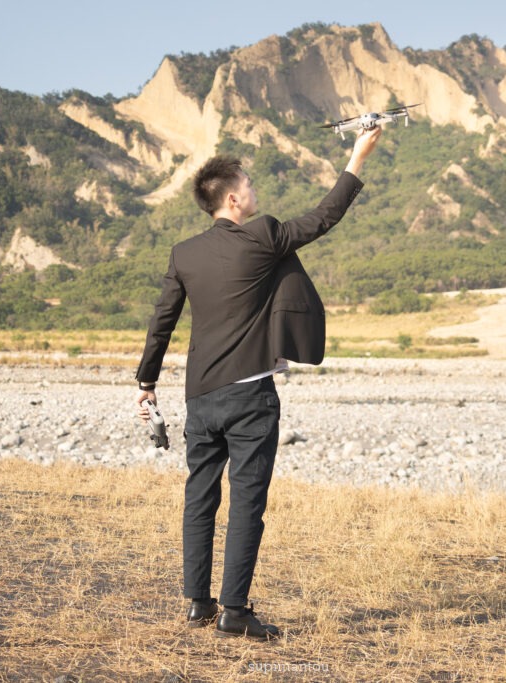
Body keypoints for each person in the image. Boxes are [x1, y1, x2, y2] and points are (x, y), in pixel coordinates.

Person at [134, 126, 382, 640]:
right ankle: (234, 611)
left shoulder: (184, 253)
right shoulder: (264, 234)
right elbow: (324, 217)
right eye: (247, 183)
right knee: (247, 500)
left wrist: (146, 383)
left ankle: (198, 604)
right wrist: (358, 157)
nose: (254, 189)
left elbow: (163, 321)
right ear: (231, 197)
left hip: (199, 395)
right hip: (249, 394)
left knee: (199, 495)